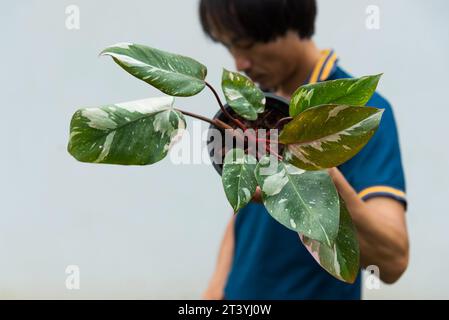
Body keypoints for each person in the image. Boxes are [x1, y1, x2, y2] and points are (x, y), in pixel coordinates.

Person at [199, 0, 409, 300]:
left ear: (291, 20)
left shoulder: (352, 117)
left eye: (246, 44)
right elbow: (245, 218)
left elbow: (393, 260)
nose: (239, 64)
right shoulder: (259, 110)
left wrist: (321, 179)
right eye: (229, 47)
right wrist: (213, 292)